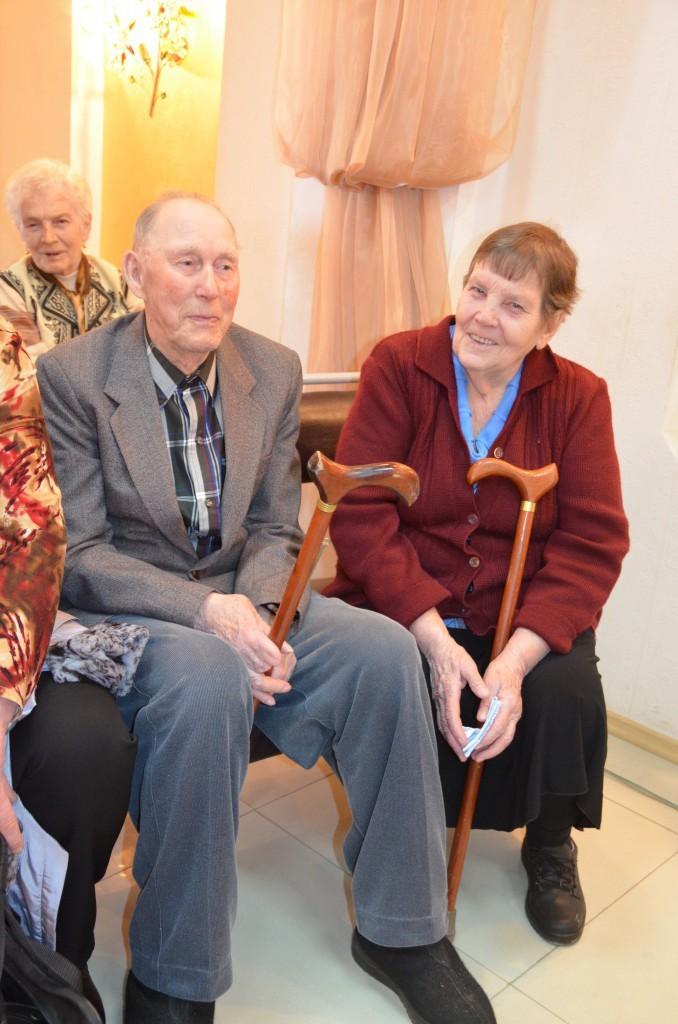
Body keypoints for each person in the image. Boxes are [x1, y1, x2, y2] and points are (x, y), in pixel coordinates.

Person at [36, 191, 496, 1024]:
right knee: (210, 678)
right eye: (187, 264)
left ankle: (403, 929)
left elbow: (277, 527)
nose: (211, 286)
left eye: (225, 264)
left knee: (385, 653)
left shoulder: (272, 369)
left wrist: (255, 612)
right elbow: (86, 555)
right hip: (141, 607)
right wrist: (211, 616)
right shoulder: (74, 376)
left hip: (248, 592)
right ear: (135, 272)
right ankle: (174, 975)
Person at [326, 222, 630, 946]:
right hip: (408, 599)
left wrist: (515, 661)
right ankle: (400, 830)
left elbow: (593, 541)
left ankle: (549, 842)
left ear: (550, 324)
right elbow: (362, 515)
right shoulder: (400, 364)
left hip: (520, 610)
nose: (484, 316)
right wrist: (436, 640)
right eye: (477, 290)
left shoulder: (579, 397)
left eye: (514, 305)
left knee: (565, 686)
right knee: (398, 676)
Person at [0, 313, 137, 1020]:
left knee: (85, 743)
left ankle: (53, 958)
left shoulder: (3, 348)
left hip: (10, 631)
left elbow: (33, 524)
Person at [0, 158, 135, 357]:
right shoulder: (9, 290)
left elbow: (140, 352)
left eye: (60, 222)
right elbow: (27, 366)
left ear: (85, 225)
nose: (48, 238)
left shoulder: (120, 282)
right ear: (20, 231)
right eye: (33, 225)